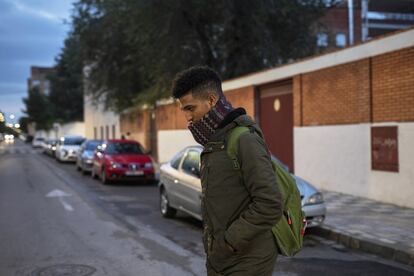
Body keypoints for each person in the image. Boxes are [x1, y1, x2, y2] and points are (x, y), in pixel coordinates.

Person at [172, 66, 283, 276]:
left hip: (247, 260)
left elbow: (270, 202)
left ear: (212, 101)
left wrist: (229, 243)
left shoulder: (244, 140)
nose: (187, 117)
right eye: (184, 110)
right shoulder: (214, 142)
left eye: (190, 108)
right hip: (222, 258)